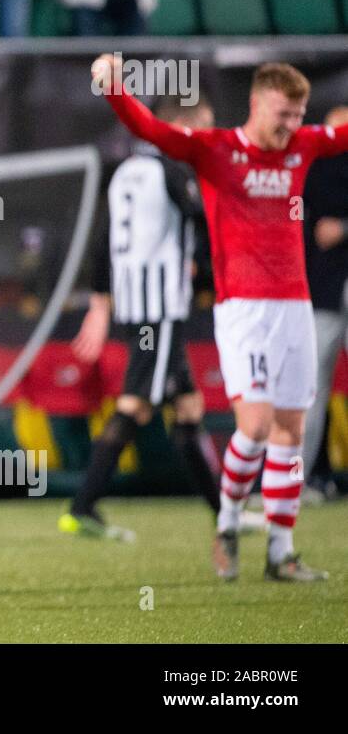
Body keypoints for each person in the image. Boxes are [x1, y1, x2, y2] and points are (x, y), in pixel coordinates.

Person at [95, 54, 345, 581]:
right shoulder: (217, 150)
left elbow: (339, 136)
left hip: (295, 305)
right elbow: (152, 128)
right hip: (243, 310)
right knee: (252, 427)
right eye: (283, 113)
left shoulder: (303, 146)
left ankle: (281, 552)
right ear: (256, 104)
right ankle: (228, 522)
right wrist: (116, 87)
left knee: (291, 431)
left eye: (299, 114)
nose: (292, 125)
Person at [62, 95, 261, 539]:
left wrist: (100, 303)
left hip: (137, 304)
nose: (206, 138)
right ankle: (82, 505)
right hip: (160, 308)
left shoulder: (125, 173)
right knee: (136, 404)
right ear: (180, 128)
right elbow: (202, 216)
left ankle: (223, 514)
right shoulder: (173, 170)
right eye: (202, 128)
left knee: (188, 408)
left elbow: (102, 243)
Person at [302, 105, 348, 498]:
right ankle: (299, 479)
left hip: (333, 286)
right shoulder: (312, 170)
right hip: (324, 290)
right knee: (309, 386)